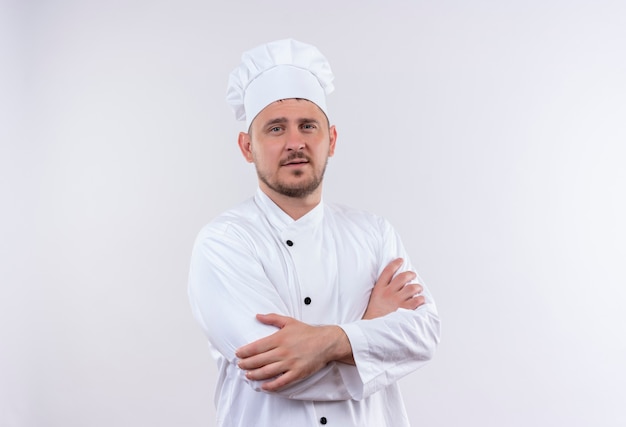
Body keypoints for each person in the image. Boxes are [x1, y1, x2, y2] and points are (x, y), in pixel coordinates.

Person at [188, 38, 440, 427]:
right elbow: (273, 369)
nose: (295, 142)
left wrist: (328, 343)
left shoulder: (374, 233)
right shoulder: (223, 242)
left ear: (332, 140)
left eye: (308, 126)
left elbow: (423, 334)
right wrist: (370, 333)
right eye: (275, 128)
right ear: (246, 147)